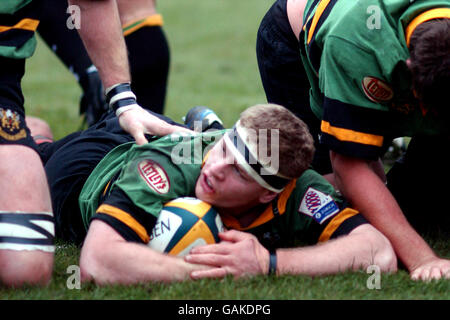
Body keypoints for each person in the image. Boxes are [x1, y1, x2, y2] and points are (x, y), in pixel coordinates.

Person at [31, 104, 396, 284]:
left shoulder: (299, 189)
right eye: (224, 149)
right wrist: (224, 270)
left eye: (238, 170)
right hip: (86, 170)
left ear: (269, 194)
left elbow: (378, 251)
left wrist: (270, 264)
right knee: (27, 154)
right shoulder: (169, 167)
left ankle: (207, 128)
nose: (214, 169)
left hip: (172, 141)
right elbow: (98, 260)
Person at [256, 0, 450, 281]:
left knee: (421, 207)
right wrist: (423, 260)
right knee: (328, 203)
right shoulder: (356, 43)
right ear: (408, 68)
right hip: (303, 40)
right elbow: (348, 165)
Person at [37, 0, 170, 126]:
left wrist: (85, 67)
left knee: (125, 142)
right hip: (150, 39)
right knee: (145, 141)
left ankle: (91, 74)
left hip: (119, 53)